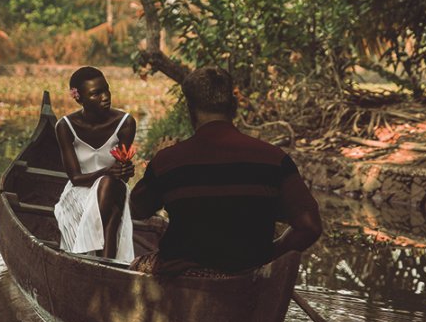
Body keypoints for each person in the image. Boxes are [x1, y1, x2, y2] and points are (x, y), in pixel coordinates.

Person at [130, 66, 322, 275]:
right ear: (234, 105)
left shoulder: (168, 161)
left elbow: (137, 210)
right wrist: (270, 254)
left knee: (137, 263)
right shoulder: (274, 159)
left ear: (190, 109)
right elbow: (310, 226)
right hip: (249, 275)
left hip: (184, 276)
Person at [54, 66, 136, 261]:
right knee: (112, 210)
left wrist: (125, 171)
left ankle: (97, 263)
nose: (105, 97)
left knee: (109, 185)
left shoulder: (125, 123)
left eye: (106, 89)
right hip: (79, 192)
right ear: (78, 97)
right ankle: (105, 262)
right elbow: (75, 178)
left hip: (114, 190)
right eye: (95, 94)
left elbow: (120, 177)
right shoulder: (65, 126)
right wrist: (107, 171)